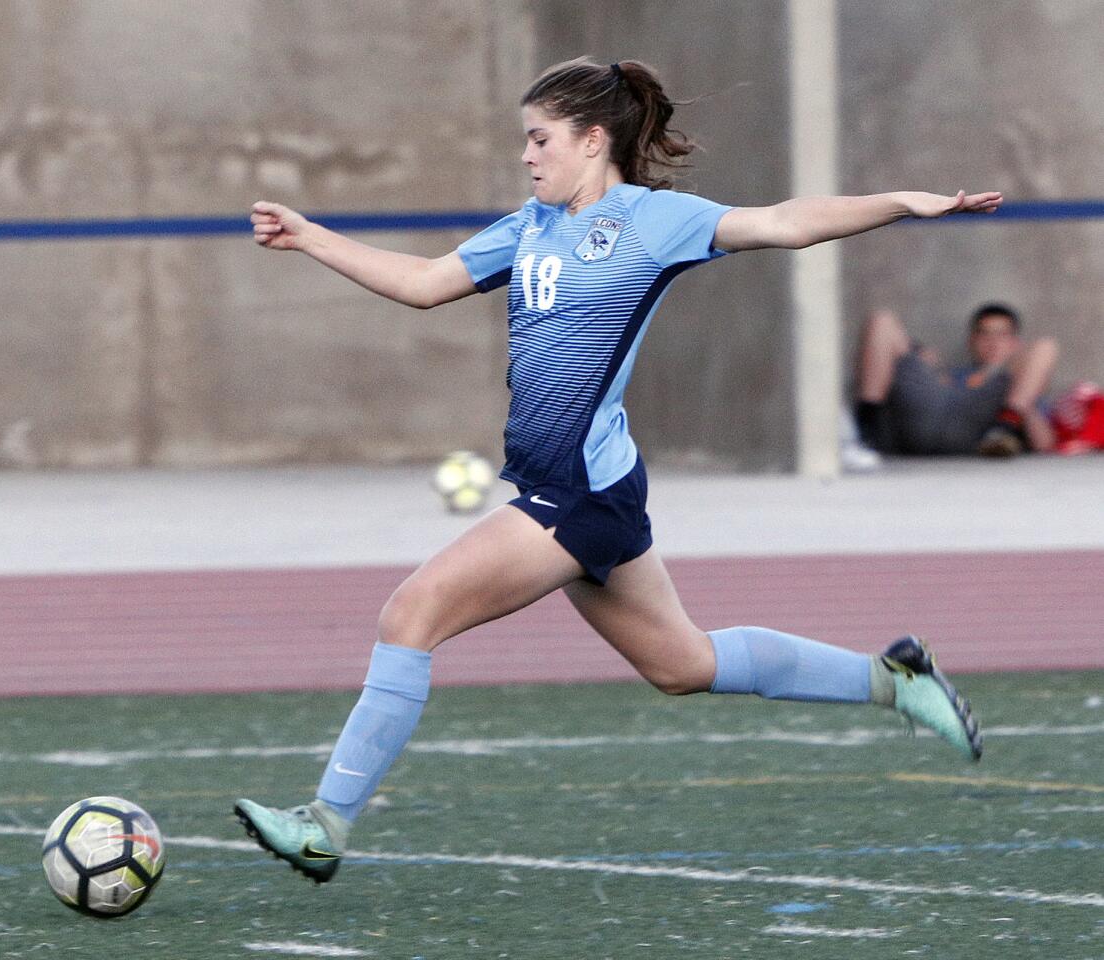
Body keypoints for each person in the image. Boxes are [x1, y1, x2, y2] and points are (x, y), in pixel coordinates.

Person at [235, 57, 990, 884]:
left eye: (540, 138)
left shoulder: (651, 220)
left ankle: (325, 824)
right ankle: (892, 681)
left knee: (409, 614)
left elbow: (781, 221)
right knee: (683, 666)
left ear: (592, 141)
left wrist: (905, 203)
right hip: (589, 486)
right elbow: (422, 283)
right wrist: (309, 237)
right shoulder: (528, 225)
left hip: (579, 494)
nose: (527, 156)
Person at [854, 303, 1060, 457]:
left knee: (1046, 346)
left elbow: (1044, 445)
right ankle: (864, 429)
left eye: (1002, 335)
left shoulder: (1020, 386)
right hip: (929, 407)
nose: (993, 343)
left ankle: (1003, 429)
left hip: (981, 426)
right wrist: (922, 358)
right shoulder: (948, 371)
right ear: (972, 341)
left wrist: (1025, 407)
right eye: (984, 334)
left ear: (1015, 344)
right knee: (882, 320)